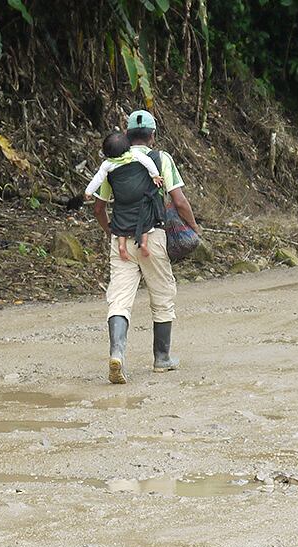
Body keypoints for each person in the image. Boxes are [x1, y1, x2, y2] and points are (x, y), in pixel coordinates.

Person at [91, 110, 201, 384]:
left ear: (127, 135)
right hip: (152, 236)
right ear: (153, 135)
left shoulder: (113, 163)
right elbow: (179, 201)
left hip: (122, 240)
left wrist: (111, 231)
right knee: (162, 294)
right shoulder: (160, 158)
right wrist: (194, 228)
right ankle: (161, 359)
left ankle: (117, 353)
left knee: (119, 299)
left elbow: (99, 207)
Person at [84, 132, 165, 261]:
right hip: (140, 197)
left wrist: (88, 192)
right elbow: (148, 161)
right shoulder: (135, 154)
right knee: (145, 220)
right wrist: (155, 175)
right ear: (128, 146)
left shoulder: (107, 164)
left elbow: (97, 179)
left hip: (122, 200)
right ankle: (143, 244)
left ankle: (122, 246)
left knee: (120, 221)